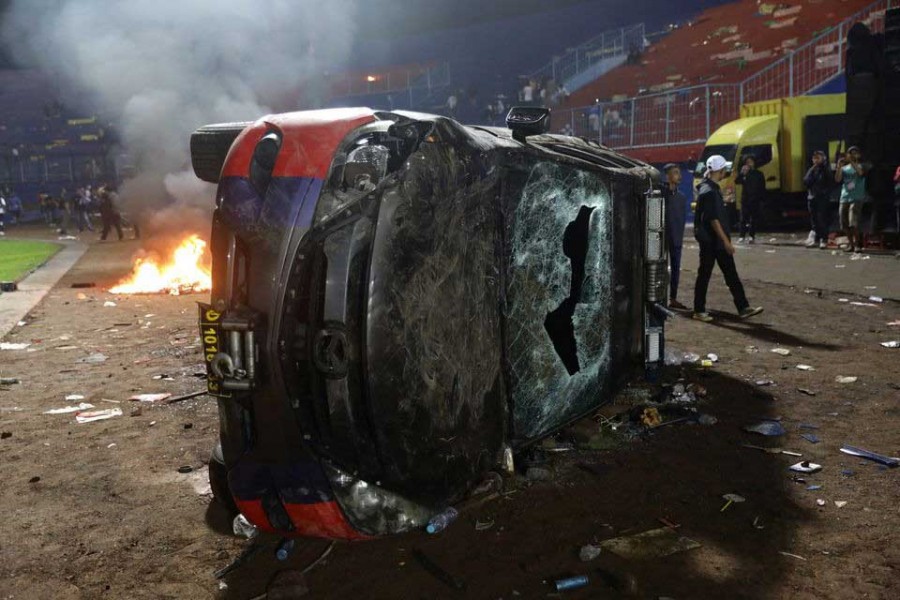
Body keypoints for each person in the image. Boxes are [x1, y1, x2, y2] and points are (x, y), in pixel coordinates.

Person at [692, 155, 764, 323]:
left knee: (728, 274)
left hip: (713, 241)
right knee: (706, 275)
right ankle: (699, 310)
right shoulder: (709, 191)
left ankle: (743, 307)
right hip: (713, 242)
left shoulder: (708, 188)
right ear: (721, 170)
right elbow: (713, 220)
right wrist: (726, 241)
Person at [662, 163, 688, 310]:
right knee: (661, 269)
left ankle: (673, 298)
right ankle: (661, 299)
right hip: (663, 239)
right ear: (668, 176)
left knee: (676, 269)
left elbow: (681, 219)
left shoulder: (681, 197)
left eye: (679, 172)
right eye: (675, 173)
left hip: (676, 238)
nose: (679, 176)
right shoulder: (660, 195)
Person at [835, 146, 867, 252]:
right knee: (843, 222)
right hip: (844, 197)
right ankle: (851, 244)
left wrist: (852, 161)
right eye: (850, 153)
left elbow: (860, 173)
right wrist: (839, 166)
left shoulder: (862, 165)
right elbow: (838, 179)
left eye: (855, 153)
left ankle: (858, 244)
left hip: (856, 197)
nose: (853, 155)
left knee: (853, 222)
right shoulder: (845, 168)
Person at [803, 150, 833, 249]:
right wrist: (812, 168)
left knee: (822, 218)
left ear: (823, 158)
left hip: (822, 198)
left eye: (818, 157)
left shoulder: (826, 169)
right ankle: (815, 239)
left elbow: (829, 182)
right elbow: (806, 181)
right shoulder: (812, 170)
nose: (816, 160)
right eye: (814, 158)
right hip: (812, 197)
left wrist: (824, 192)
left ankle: (824, 239)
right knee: (814, 219)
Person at [734, 155, 765, 243]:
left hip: (755, 199)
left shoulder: (759, 174)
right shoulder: (745, 173)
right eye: (747, 162)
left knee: (753, 219)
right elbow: (737, 181)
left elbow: (762, 187)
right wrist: (742, 173)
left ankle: (751, 236)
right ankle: (741, 236)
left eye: (750, 162)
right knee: (743, 218)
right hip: (745, 199)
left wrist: (762, 200)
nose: (749, 164)